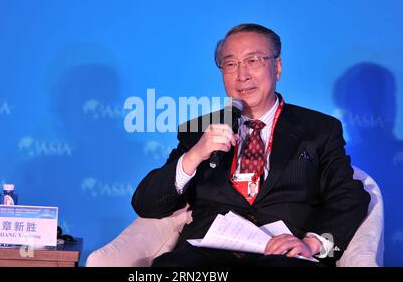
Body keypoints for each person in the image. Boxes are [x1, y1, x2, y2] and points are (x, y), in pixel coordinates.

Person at [131, 23, 370, 267]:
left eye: (253, 61)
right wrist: (194, 155)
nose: (242, 75)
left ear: (277, 68)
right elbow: (146, 205)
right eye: (231, 64)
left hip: (283, 254)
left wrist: (313, 244)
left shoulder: (319, 129)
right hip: (209, 254)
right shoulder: (199, 130)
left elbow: (348, 197)